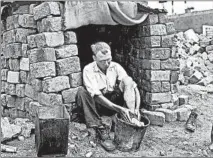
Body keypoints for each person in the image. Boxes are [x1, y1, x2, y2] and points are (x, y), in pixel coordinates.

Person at [76, 41, 141, 152]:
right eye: (102, 61)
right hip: (97, 104)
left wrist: (136, 109)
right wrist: (119, 109)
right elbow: (96, 96)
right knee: (82, 92)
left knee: (127, 80)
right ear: (94, 58)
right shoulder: (88, 69)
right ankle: (101, 129)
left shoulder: (115, 66)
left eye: (109, 59)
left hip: (113, 100)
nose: (107, 63)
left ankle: (130, 118)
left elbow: (133, 88)